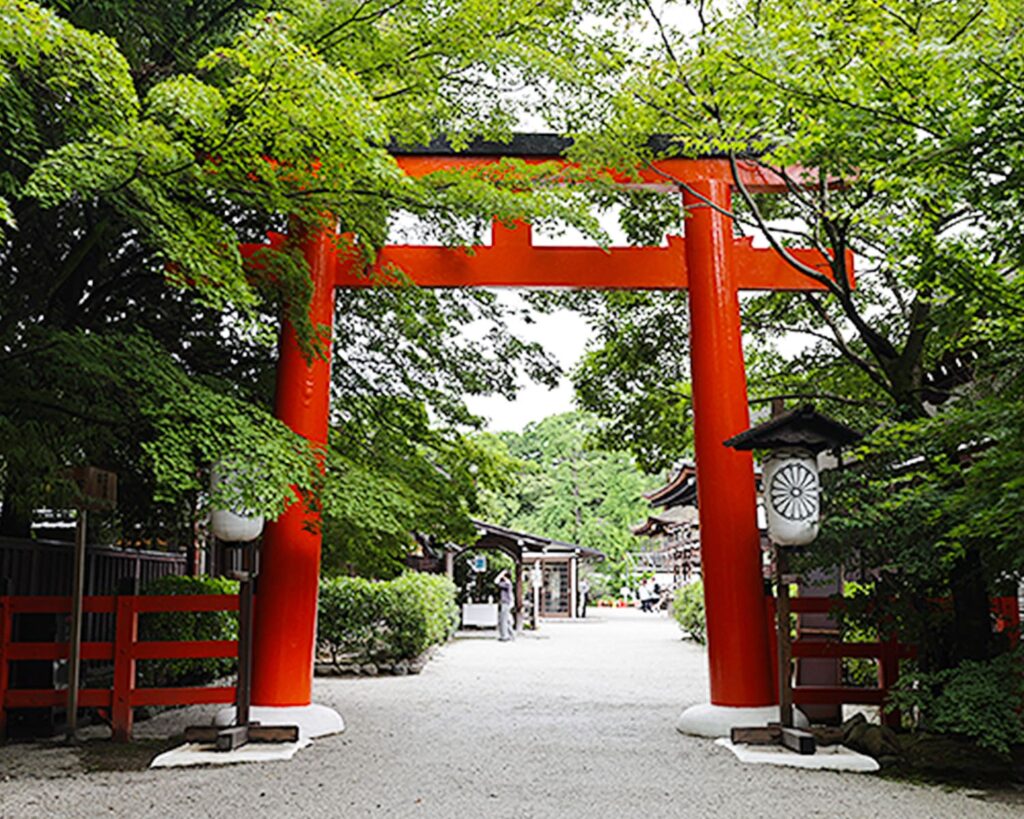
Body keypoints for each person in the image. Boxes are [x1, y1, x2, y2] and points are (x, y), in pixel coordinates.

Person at [495, 569, 514, 641]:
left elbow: (496, 581)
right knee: (507, 619)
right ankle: (511, 635)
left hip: (505, 603)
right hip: (507, 603)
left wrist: (501, 574)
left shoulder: (506, 584)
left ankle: (505, 636)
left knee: (503, 619)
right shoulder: (508, 583)